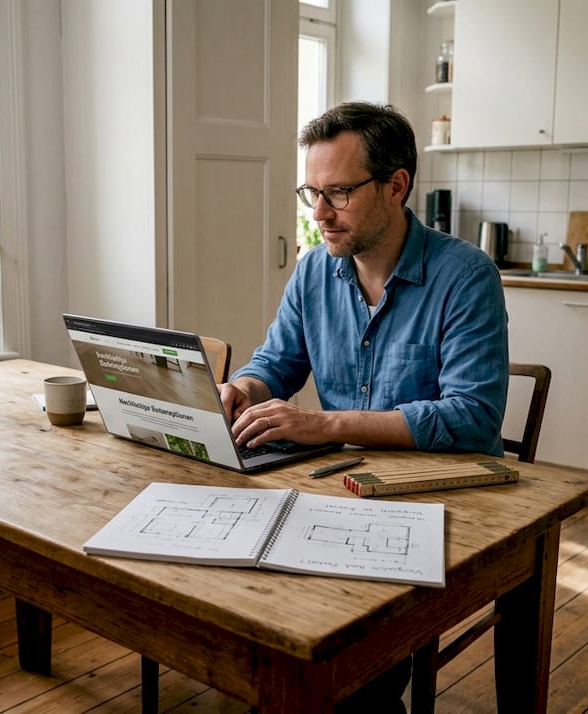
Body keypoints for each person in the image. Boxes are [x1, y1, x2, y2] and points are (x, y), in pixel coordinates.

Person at [217, 101, 509, 712]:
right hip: (340, 494)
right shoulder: (314, 272)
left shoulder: (466, 276)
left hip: (443, 507)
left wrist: (320, 423)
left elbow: (472, 417)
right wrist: (242, 389)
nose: (319, 214)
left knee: (347, 670)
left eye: (339, 193)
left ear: (396, 186)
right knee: (251, 621)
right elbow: (277, 363)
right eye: (312, 193)